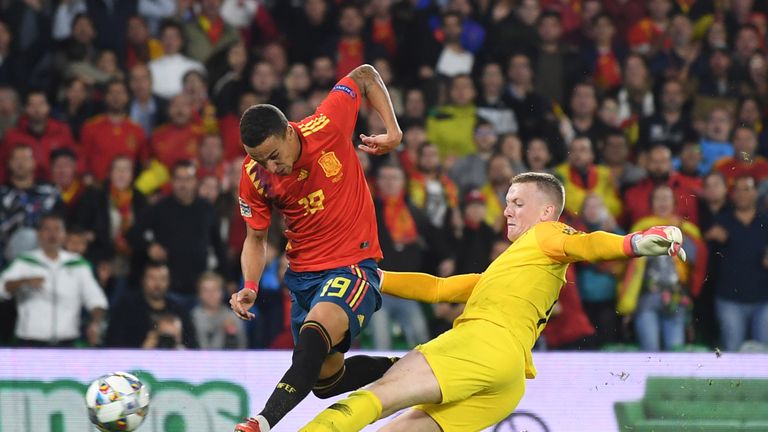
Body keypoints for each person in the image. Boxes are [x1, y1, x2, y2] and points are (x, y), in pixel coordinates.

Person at [300, 172, 686, 432]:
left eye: (517, 202)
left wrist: (631, 242)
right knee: (404, 428)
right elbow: (441, 289)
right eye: (507, 202)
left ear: (547, 211)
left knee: (377, 397)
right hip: (508, 381)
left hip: (482, 344)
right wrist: (377, 277)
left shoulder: (547, 234)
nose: (506, 210)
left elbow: (584, 244)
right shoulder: (515, 268)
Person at [231, 63, 402, 432]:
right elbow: (255, 239)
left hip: (354, 265)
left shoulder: (327, 124)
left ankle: (261, 421)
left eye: (274, 155)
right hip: (304, 277)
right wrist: (250, 285)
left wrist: (393, 130)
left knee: (313, 334)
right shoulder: (254, 176)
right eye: (259, 159)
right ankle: (405, 366)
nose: (270, 167)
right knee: (326, 382)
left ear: (289, 132)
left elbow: (365, 74)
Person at [0, 213, 107, 347]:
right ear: (39, 234)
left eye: (57, 229)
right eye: (47, 229)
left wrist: (96, 323)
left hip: (66, 343)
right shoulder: (25, 262)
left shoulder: (78, 264)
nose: (52, 234)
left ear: (64, 235)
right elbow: (2, 287)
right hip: (30, 344)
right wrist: (23, 282)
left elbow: (96, 299)